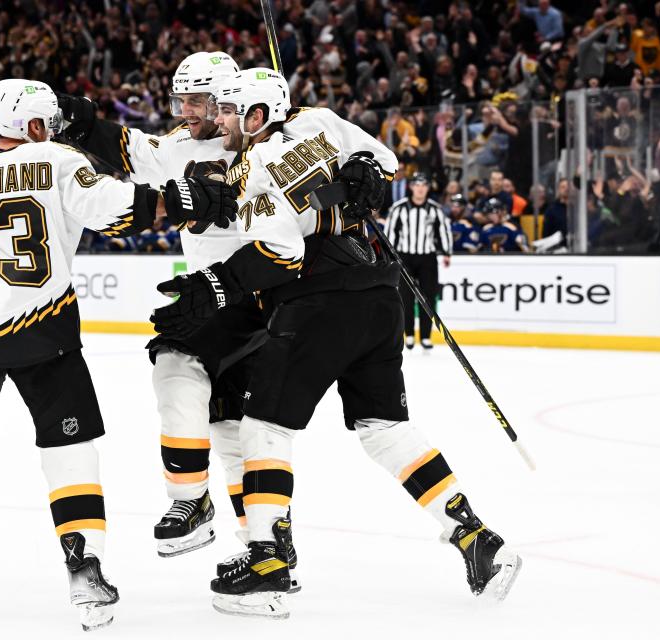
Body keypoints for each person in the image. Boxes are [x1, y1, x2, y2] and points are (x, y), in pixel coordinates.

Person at [152, 68, 521, 619]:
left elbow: (281, 254)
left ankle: (267, 561)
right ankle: (475, 537)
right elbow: (386, 162)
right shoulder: (322, 124)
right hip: (378, 294)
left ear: (256, 116)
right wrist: (361, 170)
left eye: (229, 111)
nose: (218, 120)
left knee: (262, 426)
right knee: (386, 429)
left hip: (319, 304)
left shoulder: (254, 167)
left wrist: (212, 287)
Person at [0, 78, 234, 629]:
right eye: (45, 121)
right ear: (32, 126)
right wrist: (185, 200)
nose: (50, 129)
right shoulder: (54, 159)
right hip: (45, 332)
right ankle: (84, 570)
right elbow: (123, 211)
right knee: (68, 450)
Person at [59, 52, 396, 576]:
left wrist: (362, 170)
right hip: (217, 297)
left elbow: (359, 163)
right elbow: (126, 146)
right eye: (181, 99)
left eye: (197, 101)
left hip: (262, 294)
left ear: (230, 102)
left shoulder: (272, 139)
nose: (186, 111)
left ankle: (193, 499)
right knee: (229, 424)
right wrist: (77, 118)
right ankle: (264, 547)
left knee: (179, 367)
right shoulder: (177, 146)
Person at [384, 174, 452, 350]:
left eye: (424, 185)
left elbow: (443, 230)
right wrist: (391, 255)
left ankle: (426, 336)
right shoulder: (398, 208)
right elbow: (390, 232)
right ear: (411, 187)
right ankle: (409, 335)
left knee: (428, 297)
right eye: (417, 185)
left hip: (427, 257)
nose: (420, 188)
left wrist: (446, 252)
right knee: (405, 297)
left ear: (428, 188)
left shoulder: (435, 209)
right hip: (405, 256)